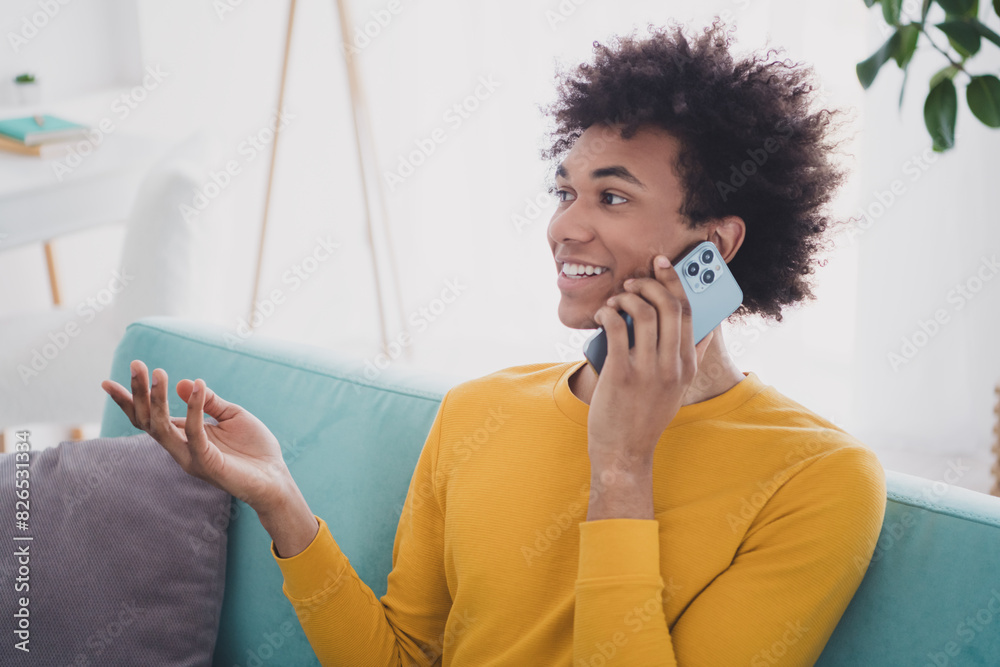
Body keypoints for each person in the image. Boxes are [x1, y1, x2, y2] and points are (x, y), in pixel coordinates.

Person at [101, 18, 886, 666]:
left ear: (714, 242)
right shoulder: (479, 410)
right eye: (565, 191)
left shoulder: (819, 481)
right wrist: (281, 500)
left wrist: (622, 469)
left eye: (611, 195)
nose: (564, 228)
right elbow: (405, 655)